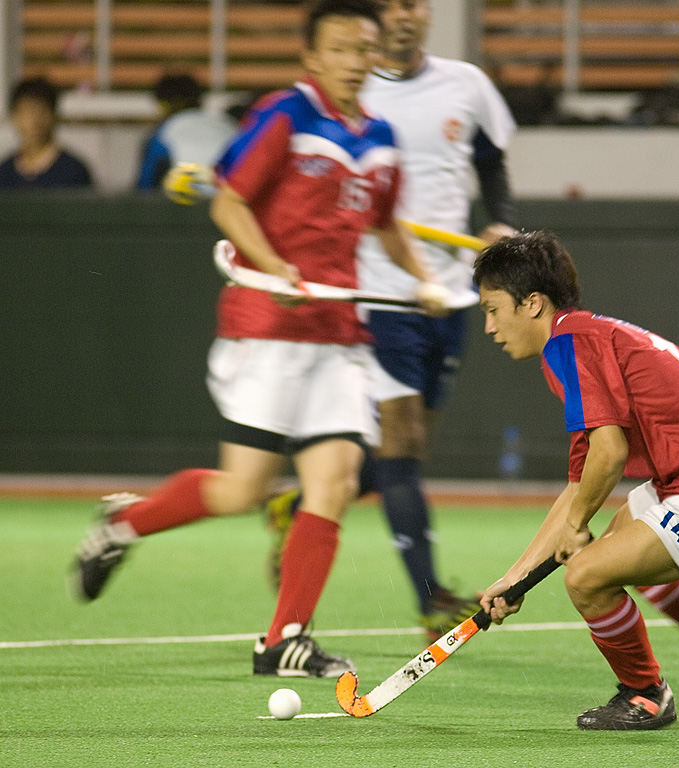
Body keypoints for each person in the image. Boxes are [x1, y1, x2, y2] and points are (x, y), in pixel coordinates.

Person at [71, 0, 448, 678]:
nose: (355, 62)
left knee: (335, 479)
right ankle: (124, 523)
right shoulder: (284, 116)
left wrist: (425, 279)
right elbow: (229, 201)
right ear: (312, 57)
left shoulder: (381, 135)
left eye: (364, 49)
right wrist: (274, 269)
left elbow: (386, 225)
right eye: (340, 48)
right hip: (268, 327)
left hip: (338, 333)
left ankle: (283, 640)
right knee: (242, 490)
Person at [264, 0, 518, 642]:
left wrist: (500, 220)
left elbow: (491, 162)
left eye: (415, 4)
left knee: (408, 449)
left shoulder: (466, 84)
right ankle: (431, 599)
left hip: (446, 294)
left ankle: (299, 504)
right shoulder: (348, 93)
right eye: (393, 5)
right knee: (400, 447)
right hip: (374, 293)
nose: (405, 15)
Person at [472, 231, 679, 730]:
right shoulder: (584, 338)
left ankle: (645, 694)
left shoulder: (570, 344)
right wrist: (515, 577)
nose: (489, 327)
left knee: (585, 576)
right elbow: (579, 485)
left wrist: (576, 528)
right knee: (619, 540)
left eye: (492, 309)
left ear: (532, 303)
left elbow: (609, 454)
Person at [136, 73, 237, 191]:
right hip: (231, 198)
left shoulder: (164, 133)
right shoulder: (227, 124)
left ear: (163, 104)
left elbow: (145, 187)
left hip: (186, 200)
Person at [0, 77, 92, 189]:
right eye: (27, 112)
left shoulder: (74, 173)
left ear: (54, 115)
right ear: (14, 116)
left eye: (41, 111)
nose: (34, 121)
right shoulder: (4, 173)